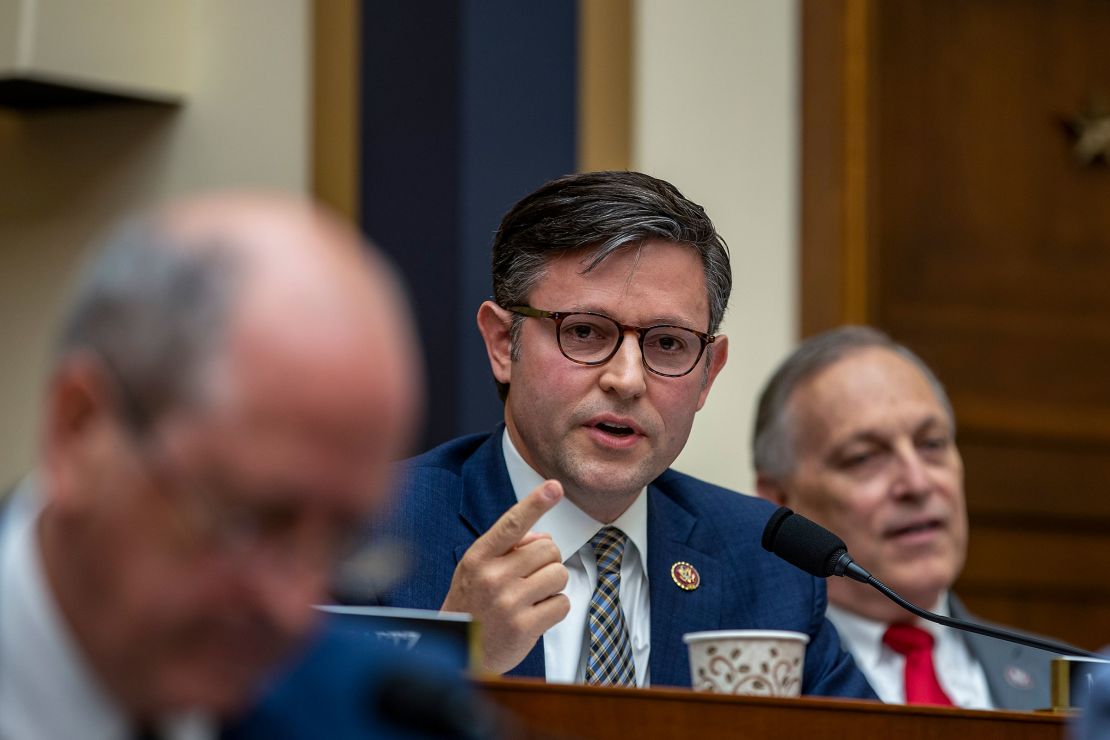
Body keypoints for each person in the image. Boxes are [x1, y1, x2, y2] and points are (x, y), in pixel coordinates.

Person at [364, 171, 874, 697]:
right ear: (501, 343)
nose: (627, 380)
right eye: (584, 331)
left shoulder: (767, 565)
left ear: (708, 374)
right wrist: (453, 658)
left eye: (669, 344)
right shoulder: (369, 529)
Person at [0, 193, 469, 739]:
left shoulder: (380, 713)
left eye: (342, 541)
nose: (291, 607)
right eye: (249, 522)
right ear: (80, 430)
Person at [753, 325, 1060, 710]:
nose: (917, 483)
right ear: (779, 500)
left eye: (932, 444)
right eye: (864, 457)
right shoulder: (753, 688)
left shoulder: (1070, 678)